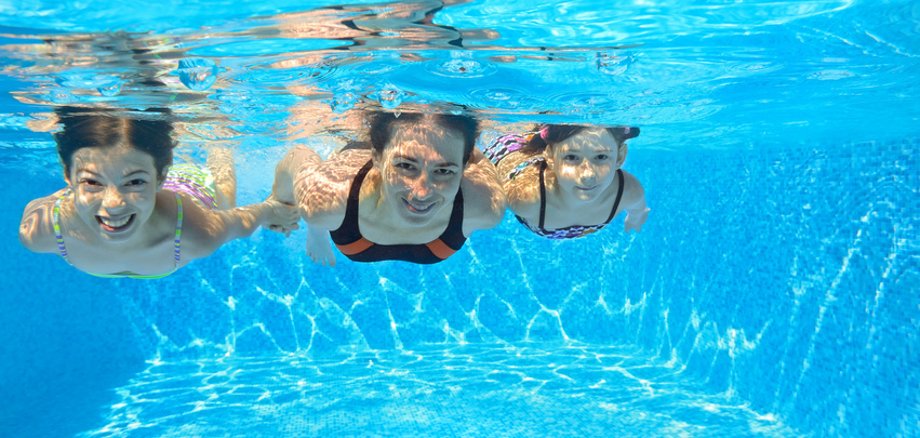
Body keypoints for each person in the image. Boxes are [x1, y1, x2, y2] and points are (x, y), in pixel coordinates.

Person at [18, 107, 298, 279]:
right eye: (92, 182)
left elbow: (241, 222)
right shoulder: (40, 231)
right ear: (68, 177)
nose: (113, 204)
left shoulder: (196, 232)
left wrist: (269, 210)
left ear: (161, 177)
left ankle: (218, 140)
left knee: (225, 201)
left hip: (190, 189)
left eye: (134, 183)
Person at [272, 111, 505, 265]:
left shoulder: (485, 208)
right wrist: (281, 201)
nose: (422, 193)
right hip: (357, 153)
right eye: (406, 166)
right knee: (319, 216)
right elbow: (298, 156)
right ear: (377, 158)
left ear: (464, 166)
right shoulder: (327, 199)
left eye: (443, 171)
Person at [484, 124, 649, 239]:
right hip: (512, 153)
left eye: (600, 157)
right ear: (549, 157)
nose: (587, 175)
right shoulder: (527, 198)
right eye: (571, 157)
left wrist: (634, 220)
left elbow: (639, 211)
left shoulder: (628, 192)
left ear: (620, 157)